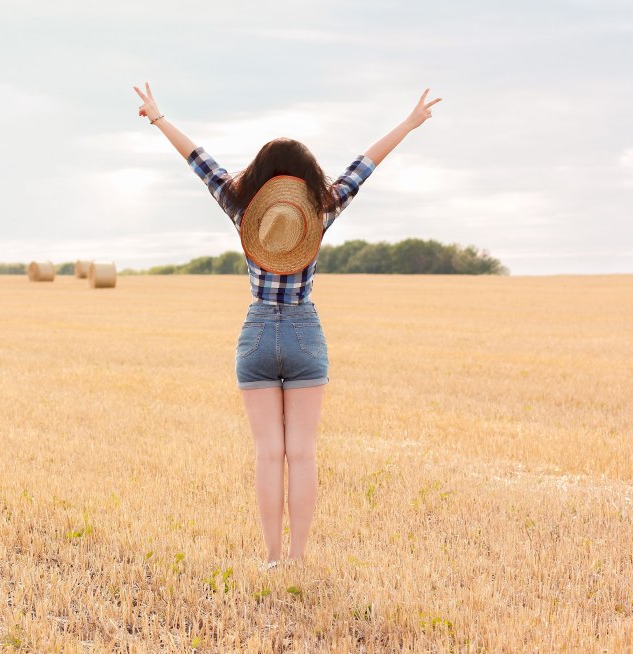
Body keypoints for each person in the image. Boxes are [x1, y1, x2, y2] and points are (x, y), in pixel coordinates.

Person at [133, 82, 441, 569]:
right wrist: (409, 123)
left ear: (261, 178)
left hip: (256, 335)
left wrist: (158, 117)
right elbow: (365, 165)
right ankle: (297, 557)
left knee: (267, 454)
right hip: (304, 333)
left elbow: (199, 161)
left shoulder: (243, 208)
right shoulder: (320, 210)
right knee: (302, 453)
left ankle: (272, 557)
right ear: (305, 178)